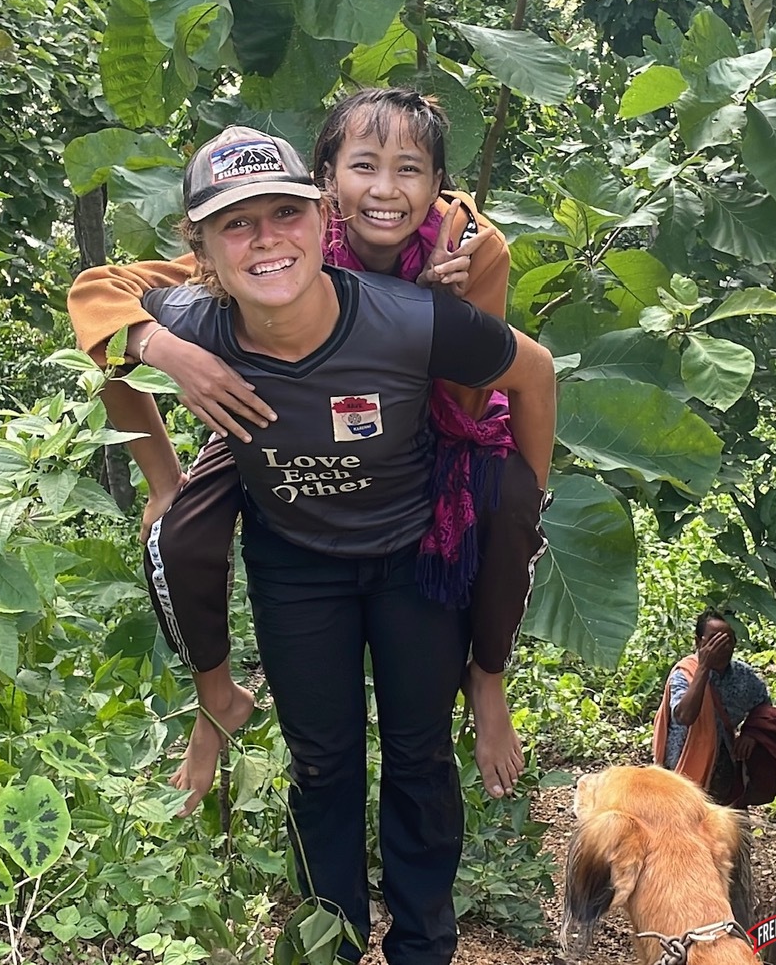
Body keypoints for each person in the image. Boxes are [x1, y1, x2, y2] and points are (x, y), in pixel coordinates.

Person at [102, 124, 555, 964]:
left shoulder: (412, 318)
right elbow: (102, 336)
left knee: (419, 756)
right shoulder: (193, 321)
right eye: (237, 224)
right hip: (296, 564)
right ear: (200, 247)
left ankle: (423, 947)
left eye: (284, 214)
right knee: (324, 766)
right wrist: (163, 427)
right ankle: (331, 946)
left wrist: (521, 493)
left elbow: (534, 373)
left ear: (322, 219)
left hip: (413, 558)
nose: (266, 239)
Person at [652, 610, 770, 805]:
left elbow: (764, 705)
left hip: (725, 767)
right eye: (715, 641)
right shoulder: (684, 674)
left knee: (726, 825)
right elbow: (684, 715)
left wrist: (751, 733)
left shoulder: (743, 676)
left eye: (728, 640)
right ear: (699, 643)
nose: (722, 647)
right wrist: (703, 668)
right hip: (684, 767)